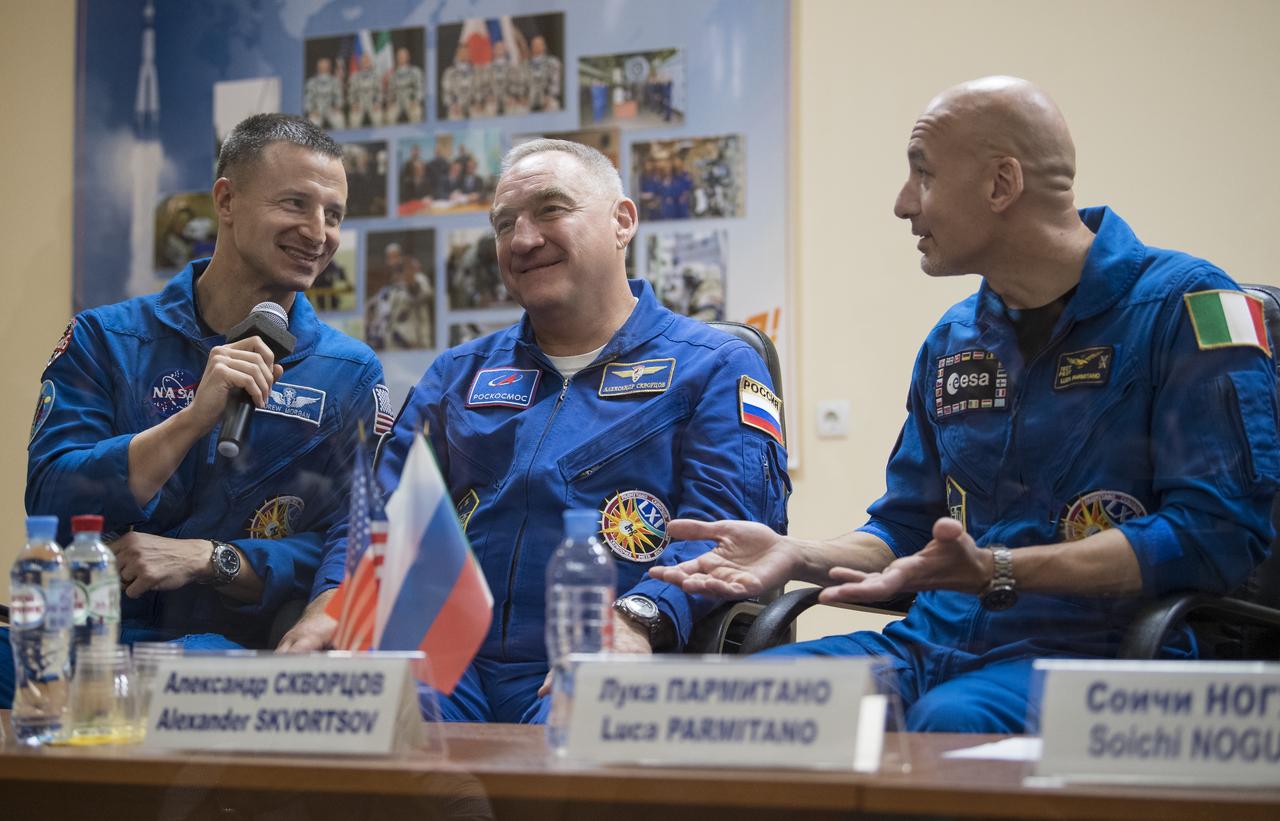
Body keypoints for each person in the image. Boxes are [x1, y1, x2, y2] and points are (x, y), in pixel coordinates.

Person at [653, 76, 1280, 734]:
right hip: (932, 646)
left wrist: (1002, 569)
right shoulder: (954, 340)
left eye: (921, 175)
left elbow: (1216, 535)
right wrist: (795, 551)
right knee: (728, 704)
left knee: (950, 719)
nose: (902, 204)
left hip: (1104, 657)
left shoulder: (1189, 308)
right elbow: (907, 528)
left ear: (1001, 185)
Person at [283, 139, 791, 724]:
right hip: (447, 658)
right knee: (361, 718)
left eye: (551, 210)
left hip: (606, 655)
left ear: (622, 221)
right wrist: (331, 602)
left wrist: (641, 618)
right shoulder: (459, 373)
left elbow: (726, 533)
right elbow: (379, 513)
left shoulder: (714, 364)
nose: (523, 240)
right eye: (505, 224)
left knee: (564, 751)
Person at [3, 114, 387, 706]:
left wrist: (216, 560)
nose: (318, 232)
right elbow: (49, 499)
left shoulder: (348, 372)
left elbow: (351, 541)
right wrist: (189, 421)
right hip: (90, 639)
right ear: (226, 201)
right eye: (295, 204)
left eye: (333, 214)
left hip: (230, 654)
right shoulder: (107, 340)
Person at [364, 242, 434, 350]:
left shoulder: (418, 278)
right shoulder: (389, 289)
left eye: (395, 257)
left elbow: (422, 293)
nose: (392, 262)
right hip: (393, 347)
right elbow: (374, 310)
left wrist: (411, 282)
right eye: (389, 258)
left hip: (415, 346)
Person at [303, 57, 345, 130]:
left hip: (330, 109)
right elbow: (308, 98)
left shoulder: (334, 81)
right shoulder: (312, 82)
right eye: (322, 66)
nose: (324, 68)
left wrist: (337, 106)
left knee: (339, 119)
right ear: (318, 67)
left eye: (326, 66)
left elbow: (338, 96)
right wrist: (311, 110)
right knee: (313, 124)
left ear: (329, 67)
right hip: (317, 110)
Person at [385, 47, 424, 124]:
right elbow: (391, 90)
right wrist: (390, 101)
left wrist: (416, 100)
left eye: (403, 56)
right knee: (388, 116)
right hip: (397, 100)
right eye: (399, 56)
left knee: (416, 113)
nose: (401, 58)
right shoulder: (393, 74)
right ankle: (393, 135)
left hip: (410, 99)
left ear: (408, 57)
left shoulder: (415, 71)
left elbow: (420, 87)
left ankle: (415, 135)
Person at [347, 53, 384, 129]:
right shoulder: (354, 76)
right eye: (363, 61)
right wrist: (353, 104)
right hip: (359, 103)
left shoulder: (376, 76)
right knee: (354, 119)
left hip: (372, 103)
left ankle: (379, 139)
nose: (365, 63)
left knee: (378, 117)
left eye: (367, 61)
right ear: (360, 63)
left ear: (370, 62)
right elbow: (351, 92)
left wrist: (377, 103)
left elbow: (379, 91)